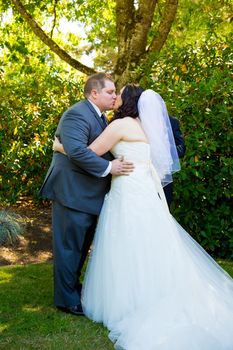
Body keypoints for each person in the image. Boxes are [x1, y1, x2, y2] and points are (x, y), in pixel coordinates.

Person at [54, 85, 233, 349]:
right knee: (150, 244)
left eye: (120, 93)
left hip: (127, 190)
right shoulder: (146, 125)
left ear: (129, 101)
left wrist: (60, 146)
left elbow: (88, 153)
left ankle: (129, 300)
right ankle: (156, 293)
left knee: (126, 244)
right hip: (145, 191)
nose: (116, 96)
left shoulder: (121, 125)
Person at [39, 73, 134, 316]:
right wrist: (110, 168)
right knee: (69, 247)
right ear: (94, 93)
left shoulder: (101, 118)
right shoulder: (76, 114)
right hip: (72, 191)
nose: (114, 96)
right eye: (110, 92)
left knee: (80, 248)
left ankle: (72, 288)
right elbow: (79, 152)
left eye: (115, 93)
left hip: (89, 193)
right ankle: (66, 300)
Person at [163, 115, 186, 207]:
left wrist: (162, 151)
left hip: (164, 176)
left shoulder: (172, 121)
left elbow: (181, 149)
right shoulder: (137, 120)